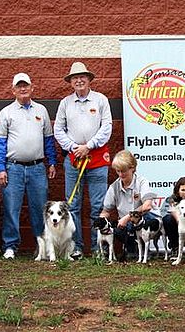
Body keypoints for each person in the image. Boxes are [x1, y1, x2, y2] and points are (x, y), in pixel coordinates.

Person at [0, 73, 57, 260]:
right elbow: (0, 143)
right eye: (19, 86)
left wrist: (52, 162)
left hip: (37, 168)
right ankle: (10, 246)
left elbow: (48, 140)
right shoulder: (6, 113)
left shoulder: (42, 111)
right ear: (13, 90)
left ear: (32, 88)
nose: (23, 89)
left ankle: (41, 246)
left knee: (40, 208)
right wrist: (0, 168)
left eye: (26, 86)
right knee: (11, 208)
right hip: (13, 168)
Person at [54, 62, 112, 259]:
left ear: (89, 79)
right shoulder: (65, 103)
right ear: (71, 82)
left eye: (82, 77)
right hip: (73, 160)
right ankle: (77, 247)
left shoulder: (101, 100)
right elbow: (58, 130)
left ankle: (98, 249)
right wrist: (73, 147)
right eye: (74, 78)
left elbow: (107, 127)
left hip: (97, 158)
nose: (78, 80)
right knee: (73, 205)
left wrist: (89, 145)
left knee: (98, 205)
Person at [99, 150, 160, 257]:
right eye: (118, 171)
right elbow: (106, 211)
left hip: (145, 219)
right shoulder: (114, 187)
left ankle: (143, 250)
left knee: (144, 220)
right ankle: (132, 249)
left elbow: (147, 206)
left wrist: (127, 217)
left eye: (123, 171)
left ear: (132, 168)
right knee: (117, 229)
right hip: (127, 224)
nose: (120, 174)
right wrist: (101, 224)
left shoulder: (142, 182)